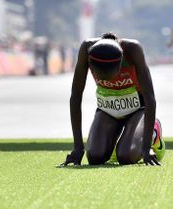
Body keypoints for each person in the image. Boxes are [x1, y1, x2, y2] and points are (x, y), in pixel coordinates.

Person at [61, 32, 165, 166]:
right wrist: (78, 148)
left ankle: (153, 134)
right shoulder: (86, 49)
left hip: (138, 110)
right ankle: (120, 143)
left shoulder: (133, 50)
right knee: (95, 157)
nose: (107, 80)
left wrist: (145, 148)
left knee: (126, 157)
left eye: (109, 76)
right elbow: (75, 97)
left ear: (120, 63)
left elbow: (150, 98)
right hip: (107, 110)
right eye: (101, 76)